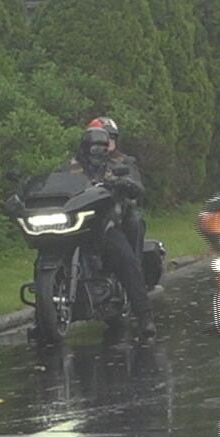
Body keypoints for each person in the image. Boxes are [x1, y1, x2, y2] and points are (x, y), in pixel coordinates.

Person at [67, 126, 155, 342]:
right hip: (75, 227)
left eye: (100, 147)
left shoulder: (116, 165)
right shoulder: (73, 167)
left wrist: (126, 184)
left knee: (126, 259)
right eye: (92, 148)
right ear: (84, 147)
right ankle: (43, 319)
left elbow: (137, 187)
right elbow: (58, 182)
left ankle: (145, 317)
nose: (96, 152)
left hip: (105, 225)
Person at [87, 116, 147, 260]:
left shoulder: (125, 161)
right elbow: (62, 178)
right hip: (87, 212)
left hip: (117, 212)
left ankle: (134, 271)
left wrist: (126, 183)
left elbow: (138, 187)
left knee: (134, 223)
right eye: (102, 138)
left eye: (111, 138)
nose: (108, 142)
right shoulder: (79, 162)